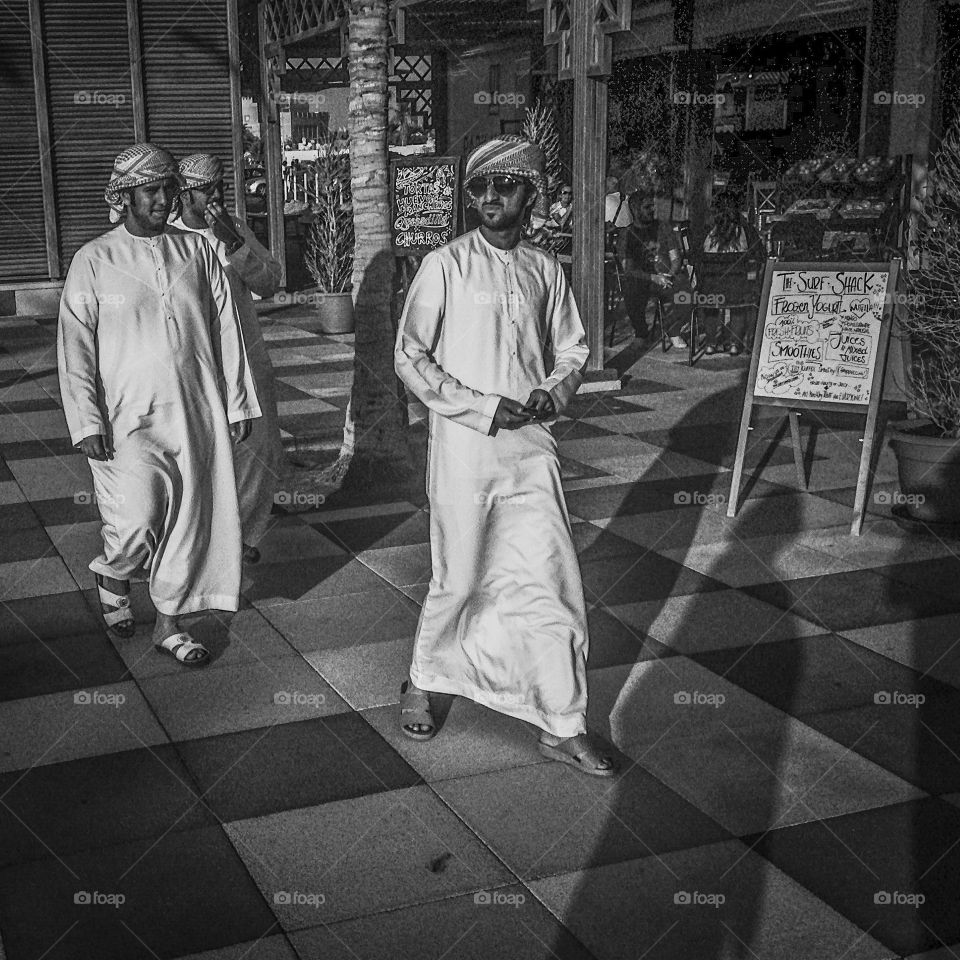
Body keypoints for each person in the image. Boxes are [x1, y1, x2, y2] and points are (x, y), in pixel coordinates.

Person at [394, 136, 616, 777]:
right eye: (479, 188)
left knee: (551, 580)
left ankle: (562, 719)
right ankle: (424, 680)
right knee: (460, 575)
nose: (490, 198)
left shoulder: (546, 269)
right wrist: (481, 408)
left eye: (506, 185)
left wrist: (554, 391)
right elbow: (410, 356)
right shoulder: (444, 265)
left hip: (531, 451)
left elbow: (573, 349)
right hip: (465, 448)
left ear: (529, 194)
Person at [57, 143, 261, 666]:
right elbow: (74, 343)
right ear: (124, 197)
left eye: (169, 188)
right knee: (137, 517)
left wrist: (237, 403)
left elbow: (228, 333)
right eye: (152, 190)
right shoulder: (94, 260)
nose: (164, 199)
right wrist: (85, 418)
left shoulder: (195, 252)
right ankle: (114, 569)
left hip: (194, 410)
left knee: (190, 518)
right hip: (125, 417)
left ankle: (169, 624)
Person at [172, 153, 283, 562]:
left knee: (260, 449)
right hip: (198, 362)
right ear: (184, 193)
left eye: (219, 187)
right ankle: (206, 545)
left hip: (248, 359)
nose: (215, 195)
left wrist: (235, 242)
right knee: (206, 454)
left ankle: (240, 535)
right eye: (207, 189)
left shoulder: (231, 227)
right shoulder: (170, 238)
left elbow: (270, 282)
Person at [619, 189, 690, 346]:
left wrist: (670, 275)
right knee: (631, 285)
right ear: (636, 210)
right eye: (647, 207)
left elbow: (675, 257)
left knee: (685, 292)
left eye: (652, 206)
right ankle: (641, 331)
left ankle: (673, 329)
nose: (652, 210)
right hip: (642, 278)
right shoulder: (627, 234)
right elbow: (628, 268)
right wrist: (653, 277)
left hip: (665, 276)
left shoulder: (663, 227)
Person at [701, 188, 765, 356]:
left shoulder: (705, 230)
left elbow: (694, 258)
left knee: (710, 305)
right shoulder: (746, 230)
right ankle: (735, 344)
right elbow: (761, 255)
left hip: (710, 290)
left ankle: (710, 343)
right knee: (739, 306)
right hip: (738, 289)